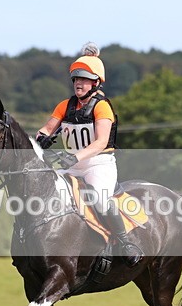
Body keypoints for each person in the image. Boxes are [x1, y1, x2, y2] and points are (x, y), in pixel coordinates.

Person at [35, 43, 142, 267]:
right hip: (72, 164)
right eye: (75, 79)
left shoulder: (102, 107)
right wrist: (42, 137)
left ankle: (125, 242)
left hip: (98, 164)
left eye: (83, 79)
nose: (78, 84)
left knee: (100, 198)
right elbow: (47, 128)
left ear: (96, 82)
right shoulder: (65, 105)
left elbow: (101, 141)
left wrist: (75, 157)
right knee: (49, 191)